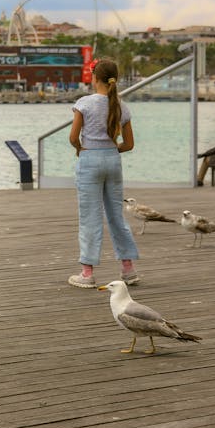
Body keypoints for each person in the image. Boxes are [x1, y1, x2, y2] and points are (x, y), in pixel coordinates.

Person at [68, 59, 138, 288]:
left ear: (93, 77)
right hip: (113, 160)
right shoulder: (121, 105)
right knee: (116, 215)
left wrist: (81, 149)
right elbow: (129, 144)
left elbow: (72, 137)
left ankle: (87, 274)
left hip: (90, 161)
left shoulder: (84, 103)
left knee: (90, 217)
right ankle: (128, 269)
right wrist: (110, 149)